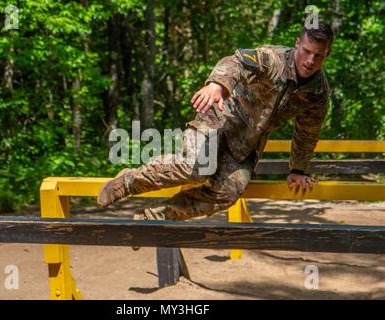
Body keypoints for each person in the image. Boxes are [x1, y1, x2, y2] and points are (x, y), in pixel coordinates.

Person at [97, 21, 333, 227]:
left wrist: (298, 170)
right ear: (297, 44)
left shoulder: (318, 92)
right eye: (306, 51)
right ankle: (128, 181)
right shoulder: (273, 60)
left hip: (245, 145)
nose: (310, 60)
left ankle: (152, 217)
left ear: (327, 55)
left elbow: (307, 132)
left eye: (318, 55)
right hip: (218, 120)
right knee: (199, 167)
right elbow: (237, 61)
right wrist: (217, 84)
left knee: (228, 194)